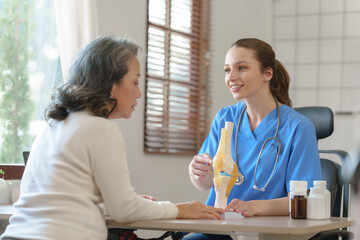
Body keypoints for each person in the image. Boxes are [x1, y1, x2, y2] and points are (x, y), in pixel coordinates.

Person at [0, 35, 224, 240]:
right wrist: (179, 209)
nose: (139, 93)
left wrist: (128, 202)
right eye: (135, 81)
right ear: (110, 84)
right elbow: (124, 211)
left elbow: (65, 201)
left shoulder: (51, 128)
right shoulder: (101, 129)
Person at [186, 38, 322, 239]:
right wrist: (197, 172)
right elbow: (206, 184)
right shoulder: (225, 118)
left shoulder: (298, 127)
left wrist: (253, 207)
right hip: (220, 227)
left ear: (267, 73)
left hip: (269, 232)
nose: (231, 77)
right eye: (227, 70)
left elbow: (305, 199)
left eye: (241, 68)